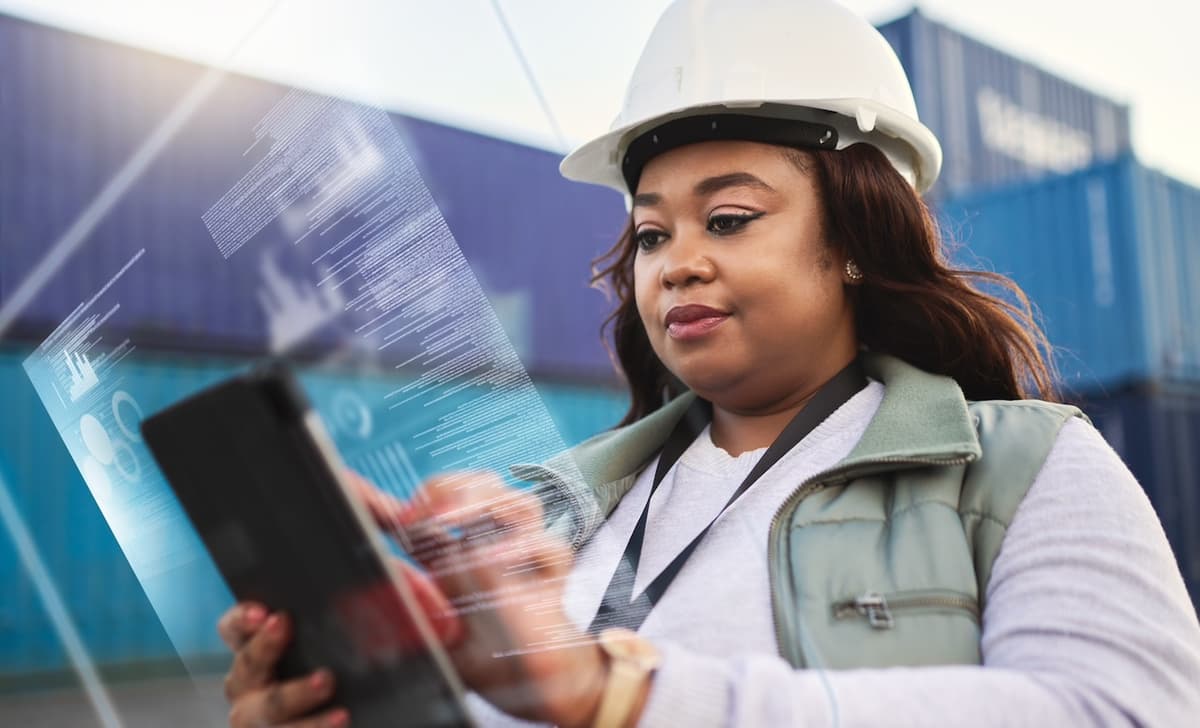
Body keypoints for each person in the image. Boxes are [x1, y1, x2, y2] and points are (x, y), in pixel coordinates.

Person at [216, 0, 1200, 726]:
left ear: (858, 236)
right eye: (650, 234)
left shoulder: (1025, 468)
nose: (676, 262)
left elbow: (1116, 709)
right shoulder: (553, 516)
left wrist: (624, 692)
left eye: (728, 218)